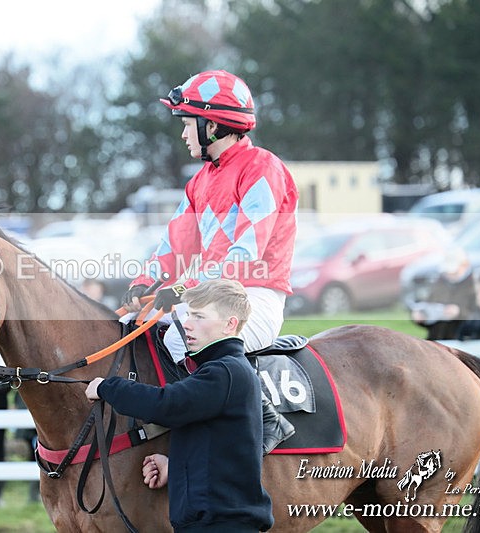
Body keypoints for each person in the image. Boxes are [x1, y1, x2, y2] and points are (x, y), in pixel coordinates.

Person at [121, 69, 297, 452]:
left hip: (254, 297)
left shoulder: (262, 168)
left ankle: (265, 417)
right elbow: (175, 245)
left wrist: (183, 290)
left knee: (184, 332)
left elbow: (243, 254)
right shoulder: (199, 180)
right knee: (127, 324)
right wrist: (145, 281)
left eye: (188, 125)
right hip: (206, 295)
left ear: (213, 125)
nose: (184, 134)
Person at [87, 279, 273, 531]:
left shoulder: (223, 372)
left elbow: (166, 406)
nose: (187, 324)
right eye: (188, 315)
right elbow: (215, 449)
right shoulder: (221, 370)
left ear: (230, 324)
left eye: (199, 316)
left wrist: (107, 387)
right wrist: (176, 469)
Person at [409, 247, 475, 340]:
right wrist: (421, 316)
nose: (449, 274)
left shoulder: (476, 285)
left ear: (465, 265)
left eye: (453, 271)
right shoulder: (439, 283)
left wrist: (459, 313)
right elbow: (429, 309)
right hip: (437, 340)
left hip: (461, 341)